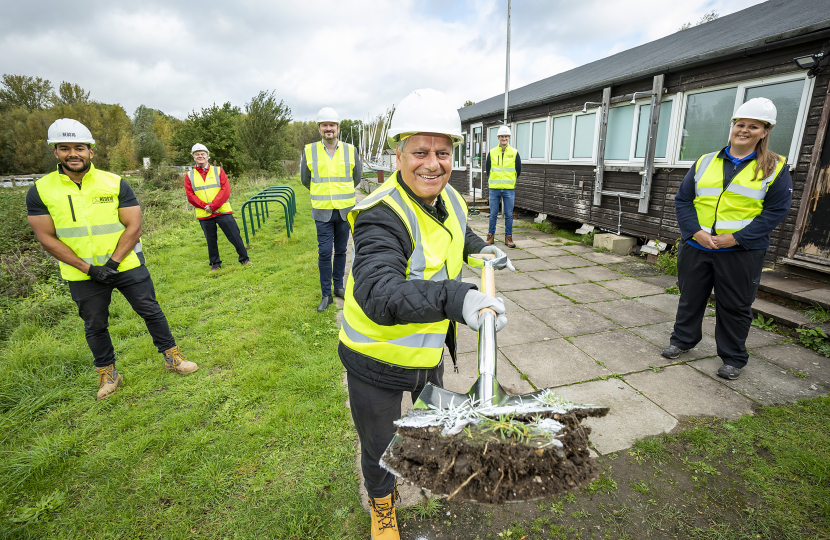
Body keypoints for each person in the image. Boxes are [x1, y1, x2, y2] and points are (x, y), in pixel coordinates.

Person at [338, 89, 514, 539]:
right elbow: (379, 292)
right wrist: (458, 299)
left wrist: (482, 251)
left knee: (425, 429)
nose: (432, 163)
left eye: (442, 152)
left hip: (427, 354)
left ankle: (423, 476)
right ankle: (383, 509)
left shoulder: (448, 198)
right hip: (375, 360)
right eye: (420, 152)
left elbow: (460, 234)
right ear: (399, 156)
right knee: (380, 446)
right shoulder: (382, 214)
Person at [26, 119, 198, 400]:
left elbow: (133, 226)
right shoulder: (40, 190)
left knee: (151, 311)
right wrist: (88, 268)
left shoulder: (114, 182)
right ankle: (108, 374)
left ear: (91, 151)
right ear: (55, 152)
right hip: (82, 274)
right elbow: (46, 238)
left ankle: (173, 357)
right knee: (94, 325)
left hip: (126, 265)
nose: (73, 153)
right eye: (65, 148)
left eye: (79, 147)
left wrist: (112, 265)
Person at [664, 97, 793, 380]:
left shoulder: (775, 167)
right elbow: (683, 200)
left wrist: (736, 238)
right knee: (690, 298)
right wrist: (695, 232)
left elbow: (776, 211)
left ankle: (733, 358)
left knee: (735, 306)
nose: (744, 130)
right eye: (740, 124)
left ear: (764, 132)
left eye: (754, 126)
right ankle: (682, 341)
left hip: (741, 251)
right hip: (696, 246)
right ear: (733, 126)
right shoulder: (705, 161)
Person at [300, 107, 361, 312]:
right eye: (325, 125)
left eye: (332, 125)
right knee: (325, 252)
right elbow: (305, 179)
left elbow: (357, 178)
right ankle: (326, 294)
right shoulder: (309, 150)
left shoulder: (351, 150)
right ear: (319, 128)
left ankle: (338, 287)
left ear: (337, 128)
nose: (329, 129)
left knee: (342, 250)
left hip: (344, 210)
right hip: (323, 210)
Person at [184, 143, 251, 273]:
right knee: (211, 240)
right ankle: (215, 264)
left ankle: (245, 259)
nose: (200, 156)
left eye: (202, 154)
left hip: (222, 210)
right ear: (194, 158)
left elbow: (226, 190)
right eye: (197, 154)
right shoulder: (189, 175)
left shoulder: (218, 170)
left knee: (234, 235)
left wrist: (213, 206)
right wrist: (206, 207)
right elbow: (190, 196)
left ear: (207, 156)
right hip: (204, 213)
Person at [484, 124, 522, 248]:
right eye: (501, 136)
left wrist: (509, 181)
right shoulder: (492, 152)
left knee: (509, 214)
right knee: (493, 213)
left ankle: (508, 238)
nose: (504, 138)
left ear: (509, 138)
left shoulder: (515, 153)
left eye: (506, 136)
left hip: (509, 189)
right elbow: (488, 169)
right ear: (498, 138)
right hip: (494, 188)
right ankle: (490, 236)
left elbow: (518, 170)